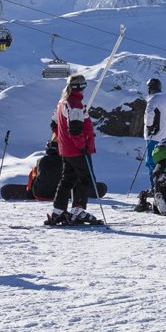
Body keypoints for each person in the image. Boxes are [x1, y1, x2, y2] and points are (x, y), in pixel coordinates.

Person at [49, 73, 101, 226]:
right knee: (86, 178)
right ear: (81, 87)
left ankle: (58, 211)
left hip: (65, 149)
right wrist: (82, 145)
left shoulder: (62, 102)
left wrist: (61, 138)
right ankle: (77, 210)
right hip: (77, 150)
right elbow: (75, 130)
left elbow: (53, 124)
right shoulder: (75, 104)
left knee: (67, 179)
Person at [143, 78, 166, 167]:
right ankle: (160, 180)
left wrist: (149, 127)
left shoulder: (153, 99)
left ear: (150, 88)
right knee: (160, 162)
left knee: (151, 162)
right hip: (164, 138)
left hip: (152, 136)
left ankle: (153, 181)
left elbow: (149, 114)